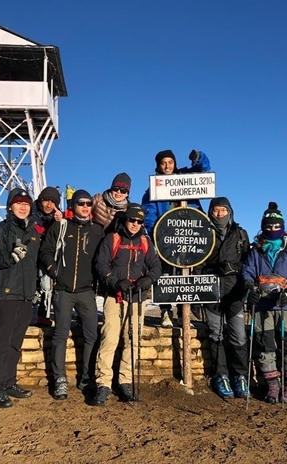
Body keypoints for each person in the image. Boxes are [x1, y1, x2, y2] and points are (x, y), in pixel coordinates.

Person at [92, 204, 162, 405]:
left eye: (139, 221)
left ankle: (125, 381)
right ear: (125, 220)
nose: (135, 224)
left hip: (137, 297)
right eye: (132, 220)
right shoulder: (112, 239)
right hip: (115, 296)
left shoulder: (145, 241)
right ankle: (103, 384)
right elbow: (100, 264)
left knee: (132, 341)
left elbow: (156, 266)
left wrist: (148, 279)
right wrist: (114, 281)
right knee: (109, 339)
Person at [39, 189, 104, 400]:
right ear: (73, 206)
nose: (85, 207)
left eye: (88, 204)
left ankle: (86, 377)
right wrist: (53, 269)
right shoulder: (60, 227)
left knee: (92, 335)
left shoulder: (97, 230)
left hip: (86, 291)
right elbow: (45, 251)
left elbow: (103, 258)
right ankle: (59, 379)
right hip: (63, 291)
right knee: (60, 335)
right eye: (81, 203)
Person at [241, 202, 287, 404]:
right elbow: (247, 274)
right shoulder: (256, 251)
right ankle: (272, 385)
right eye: (269, 226)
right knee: (264, 344)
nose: (272, 229)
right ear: (263, 226)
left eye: (277, 226)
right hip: (262, 305)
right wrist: (250, 291)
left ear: (283, 226)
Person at [141, 149, 211, 328]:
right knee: (165, 275)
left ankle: (183, 313)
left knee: (186, 276)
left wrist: (199, 157)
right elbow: (149, 216)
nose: (167, 166)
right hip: (166, 238)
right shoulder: (153, 189)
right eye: (163, 163)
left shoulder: (185, 180)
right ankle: (165, 311)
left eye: (170, 162)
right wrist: (157, 236)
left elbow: (203, 171)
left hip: (189, 235)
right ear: (158, 165)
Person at [0, 188, 41, 408]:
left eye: (26, 203)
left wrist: (37, 286)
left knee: (15, 343)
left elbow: (35, 262)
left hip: (27, 295)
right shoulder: (0, 230)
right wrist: (9, 257)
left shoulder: (33, 232)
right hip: (7, 293)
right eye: (18, 203)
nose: (23, 206)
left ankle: (9, 382)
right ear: (10, 206)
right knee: (2, 342)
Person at [195, 197, 251, 399]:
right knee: (216, 335)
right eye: (216, 210)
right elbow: (197, 265)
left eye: (223, 210)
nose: (219, 214)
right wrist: (196, 295)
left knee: (238, 336)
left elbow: (248, 263)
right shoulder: (203, 234)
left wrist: (234, 269)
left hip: (234, 292)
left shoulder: (240, 234)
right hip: (210, 292)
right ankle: (221, 376)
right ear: (211, 212)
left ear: (230, 212)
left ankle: (241, 376)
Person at [33, 186, 63, 326]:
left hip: (46, 257)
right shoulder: (29, 213)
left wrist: (60, 222)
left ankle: (43, 315)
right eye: (46, 200)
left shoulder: (57, 218)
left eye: (53, 201)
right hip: (30, 256)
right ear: (40, 201)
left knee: (48, 285)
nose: (49, 204)